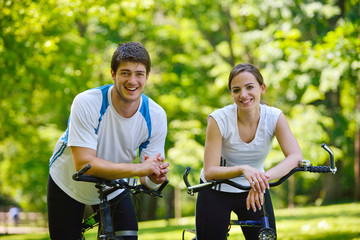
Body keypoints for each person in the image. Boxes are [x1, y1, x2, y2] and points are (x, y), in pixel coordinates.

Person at [47, 42, 169, 240]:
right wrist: (140, 169)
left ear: (147, 76)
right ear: (113, 74)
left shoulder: (156, 115)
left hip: (115, 185)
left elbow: (148, 174)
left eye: (139, 74)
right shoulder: (87, 102)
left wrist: (154, 179)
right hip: (68, 182)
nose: (132, 80)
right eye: (125, 73)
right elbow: (84, 164)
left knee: (127, 236)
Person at [195, 63, 303, 239]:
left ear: (262, 88)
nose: (243, 95)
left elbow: (296, 156)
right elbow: (209, 172)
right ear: (231, 94)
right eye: (236, 90)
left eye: (250, 87)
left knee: (264, 236)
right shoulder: (218, 119)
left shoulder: (275, 117)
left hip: (255, 189)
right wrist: (243, 169)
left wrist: (261, 180)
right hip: (216, 190)